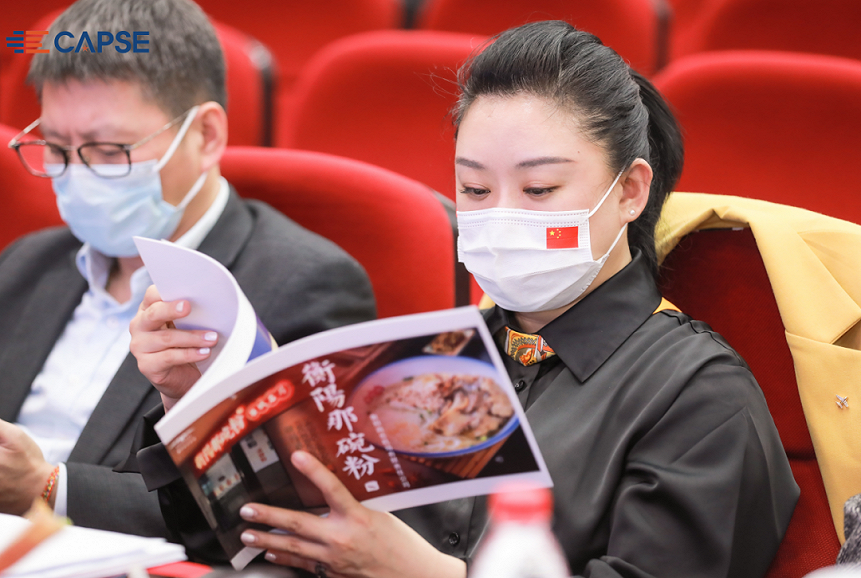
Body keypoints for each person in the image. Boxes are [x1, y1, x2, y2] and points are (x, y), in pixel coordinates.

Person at [130, 20, 798, 577]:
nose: (501, 215)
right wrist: (198, 403)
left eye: (539, 190)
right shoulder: (433, 357)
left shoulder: (699, 395)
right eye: (475, 190)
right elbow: (250, 542)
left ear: (629, 191)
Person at [0, 0, 375, 538]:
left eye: (109, 150)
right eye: (56, 148)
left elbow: (271, 507)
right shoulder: (27, 262)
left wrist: (47, 489)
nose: (77, 175)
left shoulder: (302, 285)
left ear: (206, 135)